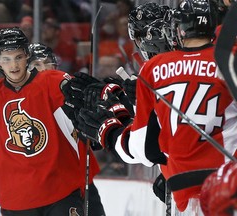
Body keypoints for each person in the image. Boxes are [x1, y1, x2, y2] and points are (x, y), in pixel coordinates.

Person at [75, 0, 237, 214]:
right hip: (228, 181)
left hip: (185, 188)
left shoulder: (154, 68)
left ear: (177, 30)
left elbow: (146, 149)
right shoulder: (229, 59)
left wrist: (111, 131)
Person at [0, 27, 85, 216]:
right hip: (16, 200)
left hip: (61, 192)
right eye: (6, 59)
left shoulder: (54, 83)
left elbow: (80, 120)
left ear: (27, 55)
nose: (13, 65)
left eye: (18, 57)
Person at [28, 42, 106, 216]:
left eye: (46, 63)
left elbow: (93, 137)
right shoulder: (24, 102)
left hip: (78, 179)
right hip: (44, 186)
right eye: (36, 64)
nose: (43, 69)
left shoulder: (71, 92)